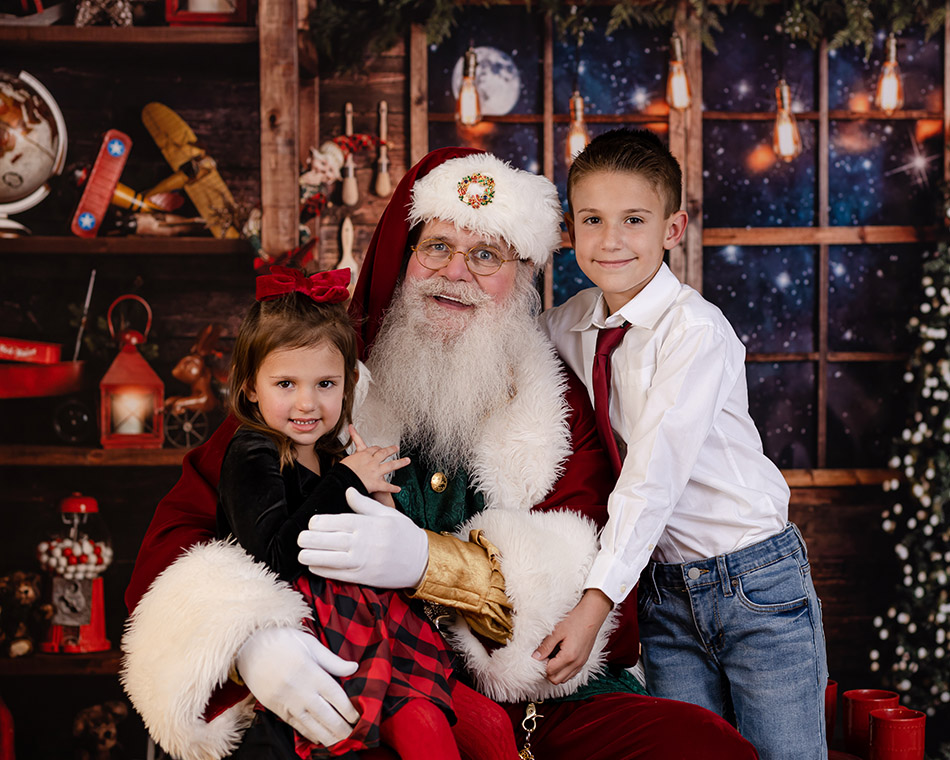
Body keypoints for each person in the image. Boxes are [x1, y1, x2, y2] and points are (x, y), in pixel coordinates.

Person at [121, 146, 760, 760]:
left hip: (538, 704)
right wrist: (248, 642)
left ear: (522, 276)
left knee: (702, 748)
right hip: (365, 677)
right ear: (405, 257)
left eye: (486, 254)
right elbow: (182, 533)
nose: (456, 272)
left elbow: (591, 567)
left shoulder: (553, 400)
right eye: (437, 247)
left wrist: (437, 565)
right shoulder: (318, 379)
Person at [540, 128, 828, 760]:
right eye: (592, 219)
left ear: (673, 228)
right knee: (689, 748)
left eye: (633, 219)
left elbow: (652, 478)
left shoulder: (695, 332)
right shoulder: (569, 323)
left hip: (754, 580)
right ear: (569, 230)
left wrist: (593, 606)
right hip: (662, 591)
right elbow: (508, 350)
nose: (610, 240)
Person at [213, 264, 520, 760]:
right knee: (424, 729)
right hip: (326, 637)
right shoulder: (253, 452)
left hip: (379, 620)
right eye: (285, 384)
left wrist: (381, 508)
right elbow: (272, 556)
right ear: (250, 387)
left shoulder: (330, 450)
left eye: (325, 384)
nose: (307, 403)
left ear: (349, 382)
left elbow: (365, 540)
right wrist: (346, 481)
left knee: (493, 730)